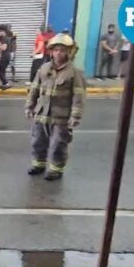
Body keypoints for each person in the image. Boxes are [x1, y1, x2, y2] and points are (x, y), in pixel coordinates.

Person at [25, 34, 86, 181]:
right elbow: (34, 89)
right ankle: (38, 164)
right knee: (38, 141)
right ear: (51, 51)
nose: (59, 53)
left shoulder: (74, 72)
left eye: (62, 50)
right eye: (56, 50)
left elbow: (79, 96)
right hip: (42, 114)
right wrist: (29, 106)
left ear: (69, 52)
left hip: (61, 116)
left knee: (59, 144)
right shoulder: (44, 69)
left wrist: (75, 116)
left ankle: (56, 169)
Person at [0, 24, 13, 90]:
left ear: (3, 31)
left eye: (0, 31)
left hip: (5, 56)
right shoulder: (6, 38)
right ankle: (4, 84)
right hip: (6, 56)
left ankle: (6, 84)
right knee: (2, 71)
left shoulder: (4, 38)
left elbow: (4, 48)